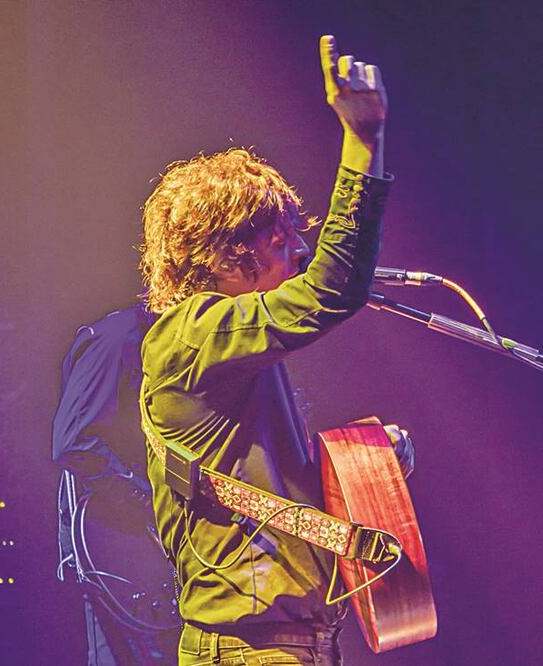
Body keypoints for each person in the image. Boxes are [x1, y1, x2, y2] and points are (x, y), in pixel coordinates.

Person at [137, 35, 398, 665]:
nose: (300, 255)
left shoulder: (229, 352)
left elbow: (270, 495)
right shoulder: (189, 335)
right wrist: (362, 141)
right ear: (231, 253)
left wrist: (370, 473)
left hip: (289, 647)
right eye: (283, 241)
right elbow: (330, 290)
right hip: (252, 653)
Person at [52, 304, 180, 665]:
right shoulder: (117, 338)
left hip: (143, 543)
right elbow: (74, 442)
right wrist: (147, 503)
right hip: (123, 549)